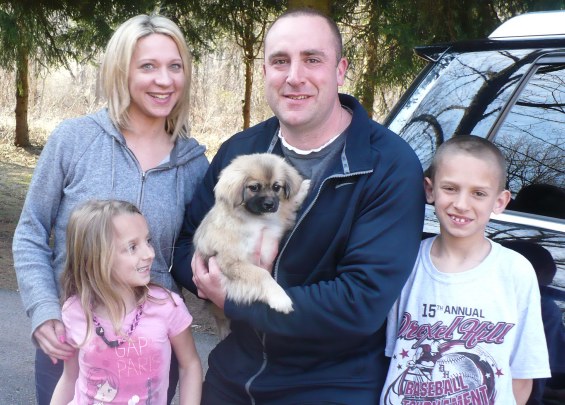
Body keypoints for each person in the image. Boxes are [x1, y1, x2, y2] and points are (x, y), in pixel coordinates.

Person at [172, 8, 425, 404]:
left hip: (331, 386)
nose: (294, 76)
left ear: (340, 70)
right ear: (265, 72)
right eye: (280, 61)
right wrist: (226, 270)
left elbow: (360, 302)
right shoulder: (240, 151)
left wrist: (239, 298)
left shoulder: (388, 166)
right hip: (232, 377)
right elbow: (187, 245)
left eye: (312, 59)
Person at [12, 14, 208, 405]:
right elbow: (31, 231)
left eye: (175, 66)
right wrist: (44, 310)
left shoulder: (193, 164)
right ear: (121, 72)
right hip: (72, 343)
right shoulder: (75, 139)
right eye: (148, 66)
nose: (165, 80)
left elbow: (193, 252)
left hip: (151, 351)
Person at [380, 135, 551, 405]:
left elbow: (522, 375)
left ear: (500, 201)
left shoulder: (516, 271)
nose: (461, 204)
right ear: (429, 190)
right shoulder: (406, 261)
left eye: (478, 193)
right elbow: (388, 357)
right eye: (450, 188)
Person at [50, 200, 202, 405]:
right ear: (95, 257)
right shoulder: (75, 311)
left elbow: (189, 365)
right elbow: (69, 377)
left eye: (148, 241)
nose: (150, 254)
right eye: (132, 247)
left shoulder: (167, 306)